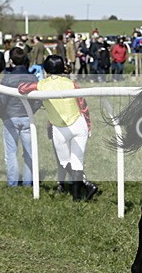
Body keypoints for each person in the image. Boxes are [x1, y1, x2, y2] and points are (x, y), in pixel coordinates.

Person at [18, 55, 98, 201]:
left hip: (60, 128)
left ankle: (86, 185)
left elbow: (21, 89)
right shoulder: (72, 83)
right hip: (79, 124)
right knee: (77, 161)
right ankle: (77, 197)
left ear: (45, 69)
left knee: (64, 161)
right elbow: (83, 104)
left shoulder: (41, 85)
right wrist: (89, 123)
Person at [0, 47, 42, 187]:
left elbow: (1, 100)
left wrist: (2, 114)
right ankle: (28, 182)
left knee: (11, 153)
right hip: (27, 117)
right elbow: (39, 100)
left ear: (11, 60)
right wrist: (31, 112)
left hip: (10, 117)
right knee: (29, 153)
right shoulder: (33, 77)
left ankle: (13, 183)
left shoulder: (7, 78)